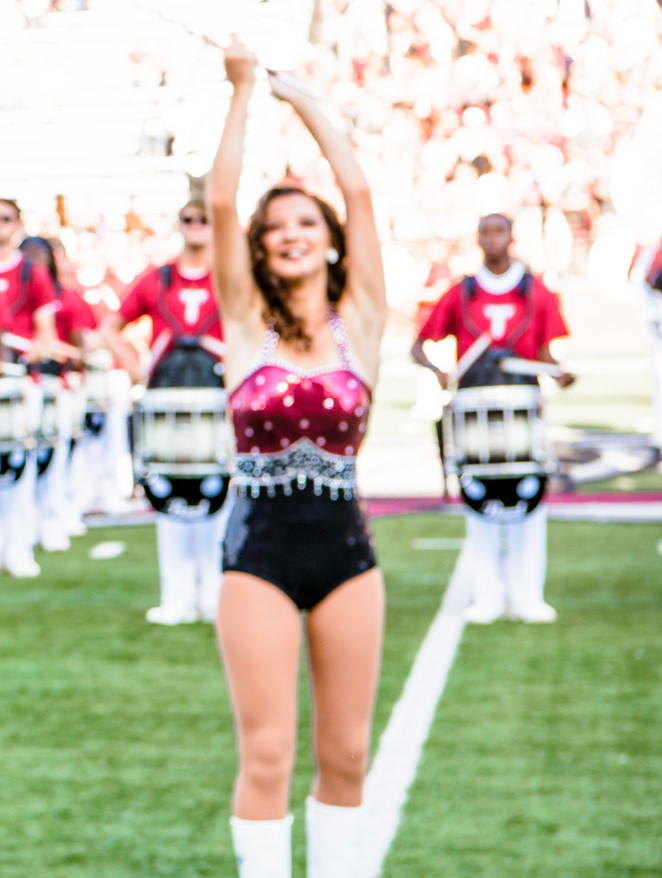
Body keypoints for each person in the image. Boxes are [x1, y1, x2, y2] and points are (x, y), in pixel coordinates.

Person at [210, 42, 389, 878]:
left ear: (329, 241)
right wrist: (244, 93)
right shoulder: (247, 325)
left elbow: (357, 189)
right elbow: (218, 204)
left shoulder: (363, 321)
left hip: (349, 557)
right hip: (260, 559)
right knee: (269, 755)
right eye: (275, 227)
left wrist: (309, 104)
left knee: (348, 754)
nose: (290, 236)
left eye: (305, 224)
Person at [412, 213, 572, 624]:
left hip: (523, 404)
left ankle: (527, 595)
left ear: (511, 237)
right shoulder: (462, 291)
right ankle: (487, 595)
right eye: (485, 231)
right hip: (473, 406)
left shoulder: (535, 289)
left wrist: (560, 372)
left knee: (529, 497)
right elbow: (419, 346)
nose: (492, 238)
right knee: (479, 498)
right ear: (478, 238)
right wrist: (440, 373)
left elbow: (549, 353)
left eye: (499, 230)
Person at [101, 201, 229, 624]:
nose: (196, 227)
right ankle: (176, 596)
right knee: (170, 495)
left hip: (215, 405)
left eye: (204, 220)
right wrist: (136, 367)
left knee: (216, 494)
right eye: (189, 219)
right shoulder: (157, 279)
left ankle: (214, 594)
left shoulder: (231, 280)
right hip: (166, 404)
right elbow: (110, 328)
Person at [0, 199, 60, 576]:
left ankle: (19, 545)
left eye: (6, 218)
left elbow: (46, 336)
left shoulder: (33, 274)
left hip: (23, 381)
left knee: (21, 467)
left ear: (18, 223)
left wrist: (27, 350)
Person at [23, 235, 96, 551]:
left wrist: (53, 349)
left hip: (59, 385)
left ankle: (56, 516)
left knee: (57, 455)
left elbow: (82, 350)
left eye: (38, 257)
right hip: (25, 386)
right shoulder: (14, 300)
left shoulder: (66, 298)